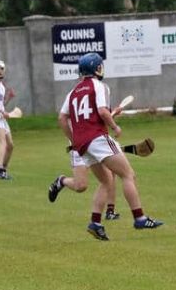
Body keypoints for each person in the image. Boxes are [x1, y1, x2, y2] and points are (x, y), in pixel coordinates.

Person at [48, 52, 163, 241]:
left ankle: (95, 223)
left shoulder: (73, 92)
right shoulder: (98, 85)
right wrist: (115, 126)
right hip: (98, 138)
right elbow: (102, 111)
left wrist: (74, 138)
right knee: (128, 175)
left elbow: (62, 118)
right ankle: (140, 217)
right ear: (97, 68)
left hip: (84, 145)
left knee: (106, 181)